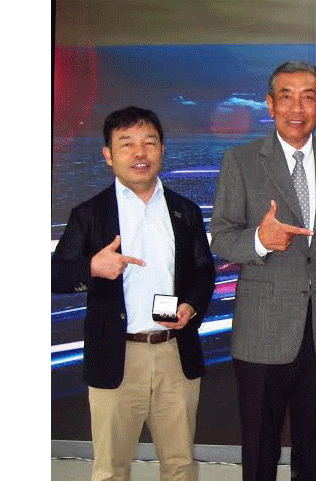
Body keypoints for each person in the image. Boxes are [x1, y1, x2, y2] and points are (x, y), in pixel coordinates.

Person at [52, 106, 216, 481]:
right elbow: (55, 274)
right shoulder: (89, 214)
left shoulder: (185, 211)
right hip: (116, 356)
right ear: (108, 155)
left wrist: (191, 305)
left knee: (180, 466)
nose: (140, 153)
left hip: (175, 353)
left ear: (162, 150)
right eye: (126, 144)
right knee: (111, 469)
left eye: (149, 143)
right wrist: (92, 268)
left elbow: (203, 270)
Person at [209, 60, 316, 481]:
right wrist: (260, 239)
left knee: (315, 453)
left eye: (308, 98)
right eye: (286, 97)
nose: (297, 108)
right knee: (260, 452)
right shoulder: (241, 160)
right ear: (270, 104)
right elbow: (221, 237)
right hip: (262, 330)